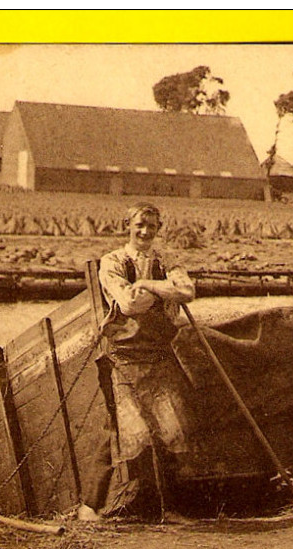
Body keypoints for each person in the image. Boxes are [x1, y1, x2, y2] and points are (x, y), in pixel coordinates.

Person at [78, 202, 197, 523]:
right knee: (122, 429)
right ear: (127, 226)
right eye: (139, 225)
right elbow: (129, 304)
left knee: (172, 429)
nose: (145, 232)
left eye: (152, 227)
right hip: (124, 355)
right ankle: (89, 507)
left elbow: (187, 290)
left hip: (158, 354)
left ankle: (167, 509)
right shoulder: (113, 262)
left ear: (159, 229)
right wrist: (162, 292)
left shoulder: (165, 260)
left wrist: (147, 285)